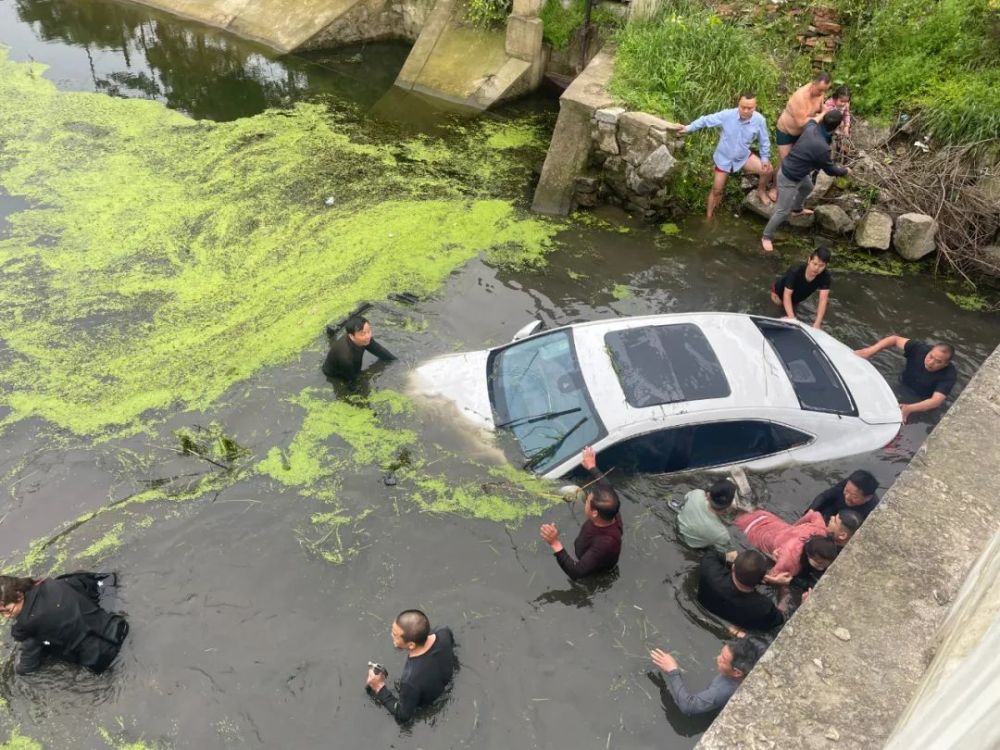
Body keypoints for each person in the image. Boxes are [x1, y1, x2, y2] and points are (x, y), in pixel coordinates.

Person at [0, 572, 129, 675]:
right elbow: (92, 584)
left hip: (103, 658)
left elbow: (28, 667)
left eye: (8, 611)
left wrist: (16, 669)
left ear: (19, 595)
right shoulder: (53, 583)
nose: (6, 616)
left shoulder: (26, 627)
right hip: (119, 627)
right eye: (1, 613)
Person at [761, 110, 849, 253]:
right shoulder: (822, 147)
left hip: (799, 172)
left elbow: (813, 120)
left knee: (808, 187)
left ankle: (797, 209)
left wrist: (824, 112)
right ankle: (766, 237)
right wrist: (845, 171)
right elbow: (830, 170)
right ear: (836, 127)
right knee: (782, 211)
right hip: (789, 177)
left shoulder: (811, 127)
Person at [679, 92, 776, 217]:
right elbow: (705, 120)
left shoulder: (759, 120)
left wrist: (764, 158)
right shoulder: (727, 115)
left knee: (768, 170)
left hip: (743, 156)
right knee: (717, 190)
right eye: (743, 107)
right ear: (738, 104)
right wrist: (687, 128)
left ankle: (761, 191)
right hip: (723, 158)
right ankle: (709, 217)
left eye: (750, 108)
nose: (746, 111)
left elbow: (764, 141)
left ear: (755, 107)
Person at [540, 447, 622, 580]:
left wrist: (554, 542)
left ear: (594, 513)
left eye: (588, 502)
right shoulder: (611, 509)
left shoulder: (605, 542)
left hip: (594, 570)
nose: (585, 502)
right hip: (586, 547)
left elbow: (576, 572)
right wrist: (591, 466)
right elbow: (606, 486)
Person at [366, 609, 456, 723]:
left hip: (430, 704)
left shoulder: (410, 679)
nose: (391, 636)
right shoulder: (444, 632)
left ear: (411, 645)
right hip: (446, 681)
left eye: (395, 635)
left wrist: (379, 687)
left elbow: (404, 716)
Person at [733, 508, 860, 582]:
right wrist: (779, 582)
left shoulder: (821, 529)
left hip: (764, 517)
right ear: (810, 556)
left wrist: (794, 528)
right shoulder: (790, 559)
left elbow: (813, 513)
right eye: (820, 563)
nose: (824, 567)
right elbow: (763, 577)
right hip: (751, 531)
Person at [649, 636, 766, 715]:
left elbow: (688, 706)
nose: (717, 658)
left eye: (723, 660)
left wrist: (672, 671)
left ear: (737, 673)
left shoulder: (723, 689)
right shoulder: (759, 650)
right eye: (721, 653)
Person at [854, 336, 957, 423]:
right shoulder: (919, 349)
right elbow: (894, 339)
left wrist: (910, 408)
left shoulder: (949, 375)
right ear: (930, 351)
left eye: (938, 362)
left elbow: (935, 401)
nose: (930, 363)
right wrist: (870, 351)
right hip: (902, 384)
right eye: (930, 356)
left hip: (920, 400)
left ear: (945, 364)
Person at [697, 549, 785, 632]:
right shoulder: (764, 608)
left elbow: (713, 554)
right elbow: (781, 619)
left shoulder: (709, 570)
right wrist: (783, 587)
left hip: (701, 608)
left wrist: (733, 560)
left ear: (733, 567)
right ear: (761, 579)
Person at [775, 72, 832, 166]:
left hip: (802, 134)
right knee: (785, 164)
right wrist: (822, 114)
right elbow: (801, 123)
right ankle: (776, 180)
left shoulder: (820, 93)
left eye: (825, 90)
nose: (822, 93)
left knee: (798, 162)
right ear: (813, 84)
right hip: (786, 132)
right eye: (820, 90)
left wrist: (825, 110)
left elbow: (821, 108)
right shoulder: (800, 97)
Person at [770, 247, 833, 329]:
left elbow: (823, 300)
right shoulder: (796, 270)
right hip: (779, 296)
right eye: (815, 264)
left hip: (796, 299)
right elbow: (787, 294)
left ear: (826, 265)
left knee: (794, 314)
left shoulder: (825, 276)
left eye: (821, 266)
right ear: (809, 260)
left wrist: (817, 323)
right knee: (776, 314)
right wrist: (791, 318)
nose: (817, 268)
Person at [322, 315, 396, 381]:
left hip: (348, 364)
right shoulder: (347, 357)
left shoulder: (365, 339)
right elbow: (351, 380)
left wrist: (396, 362)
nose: (368, 336)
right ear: (351, 336)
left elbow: (380, 351)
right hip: (335, 373)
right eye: (362, 333)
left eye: (369, 331)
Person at [676, 479, 737, 554]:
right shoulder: (721, 533)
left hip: (679, 526)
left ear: (708, 495)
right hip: (693, 544)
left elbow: (686, 498)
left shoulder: (697, 493)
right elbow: (726, 551)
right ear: (728, 507)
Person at [808, 470, 880, 522]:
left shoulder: (871, 512)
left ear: (868, 497)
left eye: (854, 496)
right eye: (846, 490)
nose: (847, 497)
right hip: (832, 509)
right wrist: (812, 510)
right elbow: (825, 495)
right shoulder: (850, 484)